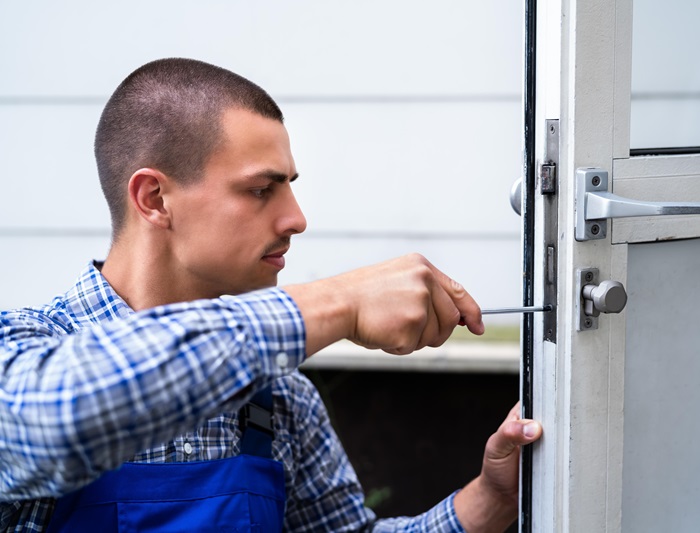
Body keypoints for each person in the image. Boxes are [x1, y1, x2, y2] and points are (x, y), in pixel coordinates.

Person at [0, 58, 542, 532]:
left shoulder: (279, 400)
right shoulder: (21, 352)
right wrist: (339, 302)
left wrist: (492, 500)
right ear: (154, 198)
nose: (297, 219)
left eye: (290, 186)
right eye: (261, 190)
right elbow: (56, 418)